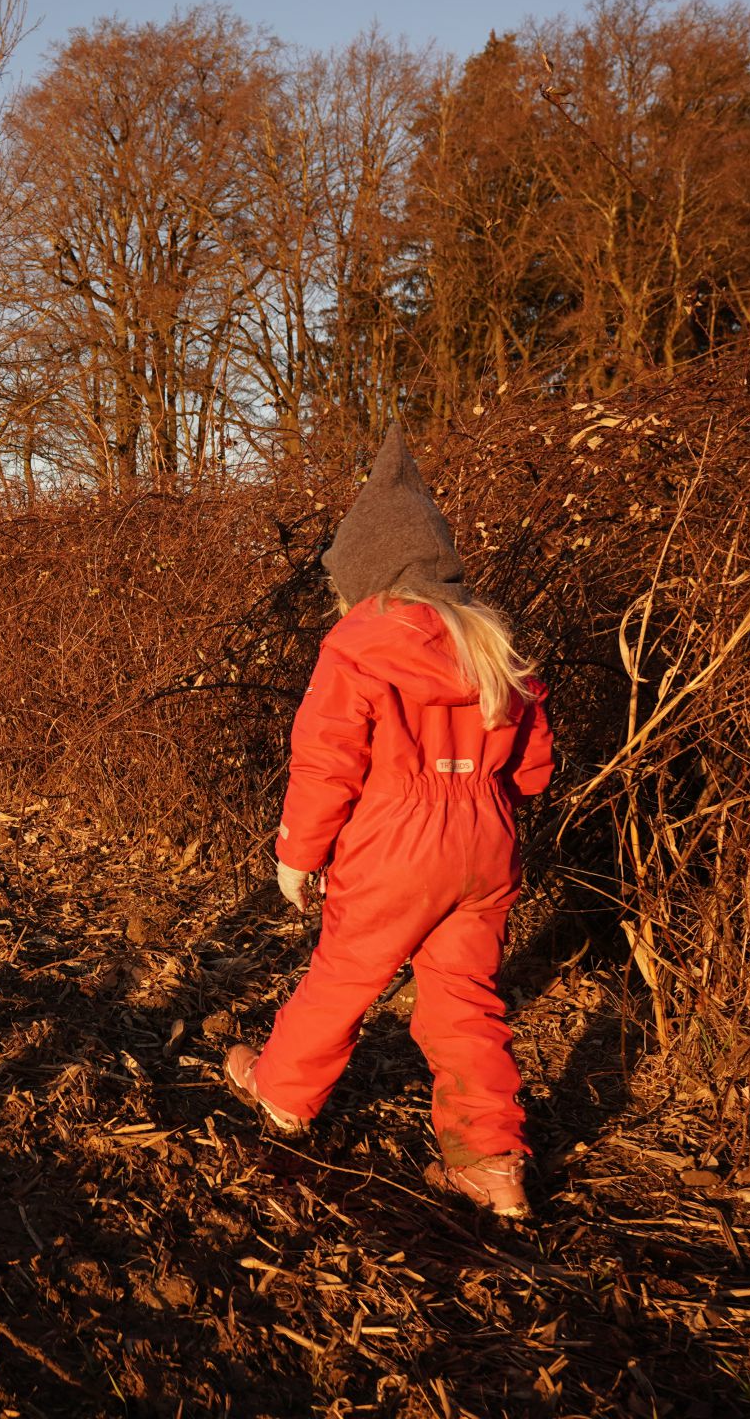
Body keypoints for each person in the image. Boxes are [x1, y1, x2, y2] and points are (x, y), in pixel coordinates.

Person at [223, 425, 554, 1219]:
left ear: (366, 572)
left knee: (344, 976)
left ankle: (282, 1093)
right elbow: (534, 773)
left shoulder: (358, 647)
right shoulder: (494, 643)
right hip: (487, 840)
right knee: (467, 998)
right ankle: (491, 1162)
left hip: (394, 843)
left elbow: (325, 762)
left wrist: (297, 855)